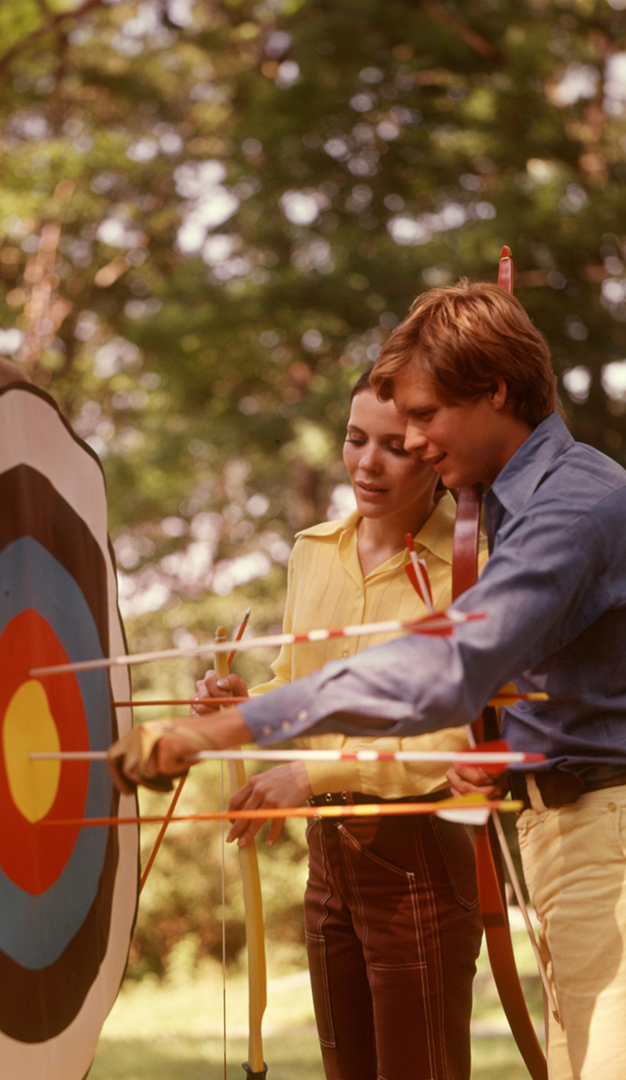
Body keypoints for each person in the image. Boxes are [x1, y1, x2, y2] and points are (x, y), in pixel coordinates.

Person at [109, 281, 626, 1080]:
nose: (409, 441)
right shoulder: (505, 501)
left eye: (425, 418)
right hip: (574, 838)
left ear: (496, 391)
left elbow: (449, 668)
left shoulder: (571, 506)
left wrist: (222, 733)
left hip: (625, 838)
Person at [196, 367, 482, 1080]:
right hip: (330, 854)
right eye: (356, 439)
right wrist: (244, 704)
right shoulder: (313, 551)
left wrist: (308, 771)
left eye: (396, 447)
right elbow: (299, 686)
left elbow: (450, 735)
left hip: (417, 850)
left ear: (435, 454)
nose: (368, 463)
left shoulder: (469, 566)